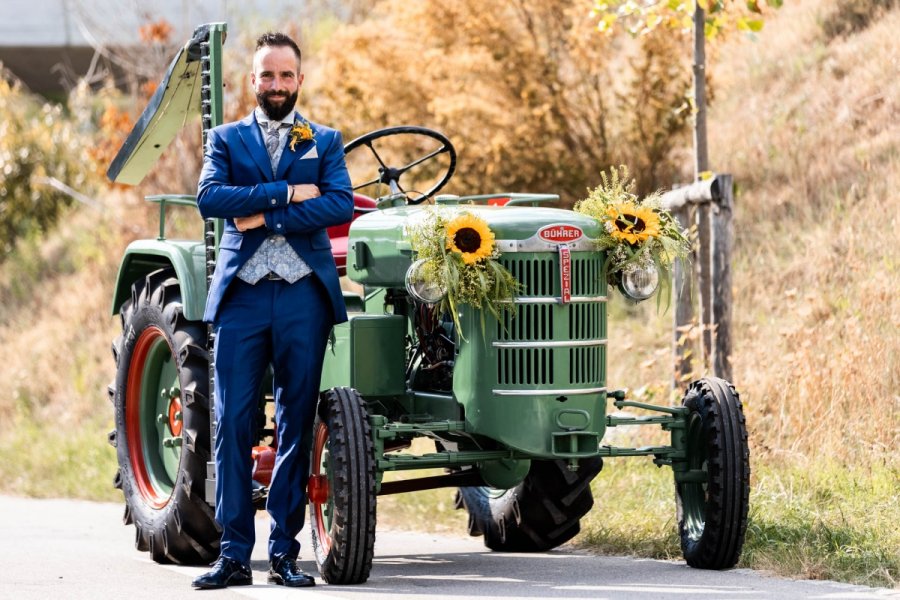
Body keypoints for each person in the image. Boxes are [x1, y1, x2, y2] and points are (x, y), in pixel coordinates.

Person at [192, 31, 353, 590]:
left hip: (304, 296)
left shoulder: (325, 140)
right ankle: (234, 553)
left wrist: (259, 214)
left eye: (286, 76)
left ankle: (285, 553)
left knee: (294, 425)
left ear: (300, 81)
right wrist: (286, 194)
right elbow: (211, 198)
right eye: (267, 75)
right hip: (242, 297)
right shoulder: (225, 138)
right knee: (233, 422)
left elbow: (339, 202)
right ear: (251, 80)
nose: (277, 85)